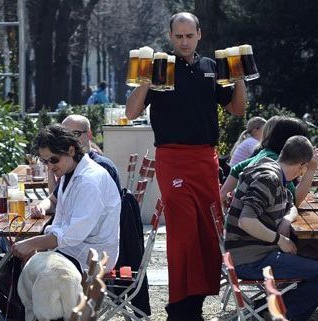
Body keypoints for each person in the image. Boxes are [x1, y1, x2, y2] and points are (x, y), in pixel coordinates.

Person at [126, 12, 247, 321]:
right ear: (171, 37)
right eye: (178, 36)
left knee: (208, 230)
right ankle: (178, 307)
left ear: (199, 35)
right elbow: (131, 112)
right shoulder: (159, 68)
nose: (183, 41)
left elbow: (236, 109)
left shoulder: (211, 67)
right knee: (182, 232)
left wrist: (240, 77)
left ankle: (194, 305)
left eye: (188, 36)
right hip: (172, 157)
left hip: (205, 158)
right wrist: (144, 79)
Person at [224, 136, 318, 321]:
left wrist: (285, 219)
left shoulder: (274, 170)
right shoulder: (268, 178)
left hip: (254, 252)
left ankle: (268, 309)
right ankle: (275, 313)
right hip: (250, 259)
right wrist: (279, 240)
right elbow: (246, 220)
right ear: (302, 166)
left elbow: (292, 204)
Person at [11, 125, 120, 273]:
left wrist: (32, 244)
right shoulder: (69, 172)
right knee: (22, 262)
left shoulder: (89, 181)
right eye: (45, 162)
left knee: (29, 268)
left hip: (94, 256)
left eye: (53, 159)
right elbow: (60, 217)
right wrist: (33, 244)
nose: (50, 167)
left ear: (71, 151)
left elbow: (71, 236)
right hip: (78, 247)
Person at [31, 115, 121, 218]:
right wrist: (41, 208)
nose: (69, 139)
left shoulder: (97, 168)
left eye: (75, 134)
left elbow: (79, 225)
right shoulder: (70, 167)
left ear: (89, 135)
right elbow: (55, 199)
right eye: (64, 135)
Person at [220, 116, 317, 207]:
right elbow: (293, 202)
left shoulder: (266, 153)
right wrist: (311, 169)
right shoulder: (276, 162)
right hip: (251, 220)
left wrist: (225, 191)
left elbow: (237, 168)